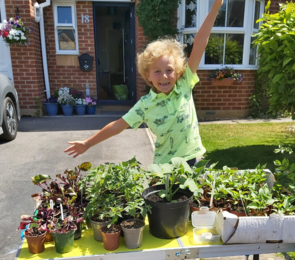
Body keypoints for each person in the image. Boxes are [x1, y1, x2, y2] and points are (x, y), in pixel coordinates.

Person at [64, 0, 225, 166]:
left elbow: (199, 44)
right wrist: (87, 143)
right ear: (148, 76)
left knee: (190, 192)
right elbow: (117, 126)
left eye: (169, 70)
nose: (164, 76)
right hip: (164, 166)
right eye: (157, 71)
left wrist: (215, 7)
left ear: (177, 72)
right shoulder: (145, 105)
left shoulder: (184, 83)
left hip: (190, 158)